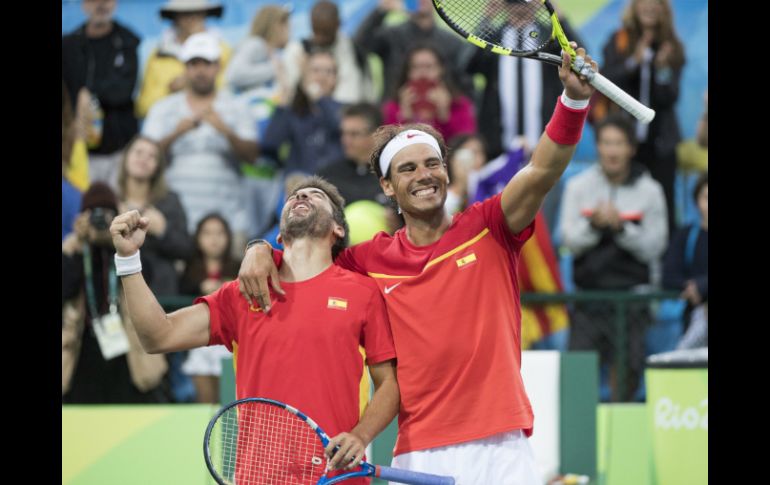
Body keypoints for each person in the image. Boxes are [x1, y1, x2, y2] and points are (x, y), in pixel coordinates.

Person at [237, 43, 597, 483]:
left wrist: (573, 100)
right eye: (407, 169)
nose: (424, 175)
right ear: (387, 187)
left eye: (432, 164)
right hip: (421, 452)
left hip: (502, 444)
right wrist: (260, 247)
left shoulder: (490, 226)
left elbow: (542, 170)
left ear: (446, 172)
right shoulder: (365, 261)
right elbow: (304, 258)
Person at [110, 176, 399, 482]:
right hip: (258, 478)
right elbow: (158, 335)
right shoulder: (239, 295)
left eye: (315, 196)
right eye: (294, 196)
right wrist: (128, 259)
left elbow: (389, 384)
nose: (301, 196)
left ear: (337, 229)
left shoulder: (363, 293)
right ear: (278, 232)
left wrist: (361, 436)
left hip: (338, 476)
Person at [559, 113, 667, 401]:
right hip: (588, 299)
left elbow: (656, 246)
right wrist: (594, 225)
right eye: (606, 143)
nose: (612, 151)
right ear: (598, 147)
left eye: (619, 143)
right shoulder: (578, 187)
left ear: (631, 147)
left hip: (632, 299)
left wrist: (622, 228)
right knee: (577, 379)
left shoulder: (650, 191)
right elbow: (569, 240)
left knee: (628, 376)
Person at [142, 31, 259, 244]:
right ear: (185, 68)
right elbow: (143, 157)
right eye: (194, 64)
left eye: (207, 63)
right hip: (176, 220)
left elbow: (252, 156)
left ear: (218, 66)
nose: (200, 71)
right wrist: (176, 133)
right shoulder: (163, 108)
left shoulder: (237, 106)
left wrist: (225, 130)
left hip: (229, 220)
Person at [63, 183, 168, 403]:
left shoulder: (125, 248)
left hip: (125, 349)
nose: (100, 220)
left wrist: (122, 245)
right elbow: (66, 286)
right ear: (83, 217)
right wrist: (80, 243)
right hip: (83, 348)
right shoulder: (75, 251)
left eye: (106, 214)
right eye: (94, 214)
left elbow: (146, 276)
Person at [597, 0, 686, 234]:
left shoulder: (671, 45)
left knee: (665, 205)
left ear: (663, 9)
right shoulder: (619, 40)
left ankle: (666, 265)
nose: (649, 7)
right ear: (634, 7)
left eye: (655, 3)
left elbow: (670, 97)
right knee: (625, 202)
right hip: (626, 141)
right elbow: (607, 82)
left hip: (660, 144)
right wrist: (633, 62)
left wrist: (662, 69)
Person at [62, 0, 140, 187]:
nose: (101, 4)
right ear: (83, 5)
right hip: (77, 146)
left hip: (119, 147)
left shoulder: (128, 41)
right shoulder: (68, 45)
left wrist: (89, 93)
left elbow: (123, 90)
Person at [136, 0, 232, 119]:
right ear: (174, 18)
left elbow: (231, 94)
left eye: (198, 13)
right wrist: (169, 91)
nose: (192, 19)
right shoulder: (158, 56)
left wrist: (194, 82)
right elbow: (144, 107)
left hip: (215, 122)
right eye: (185, 14)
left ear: (205, 15)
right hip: (169, 127)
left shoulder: (223, 51)